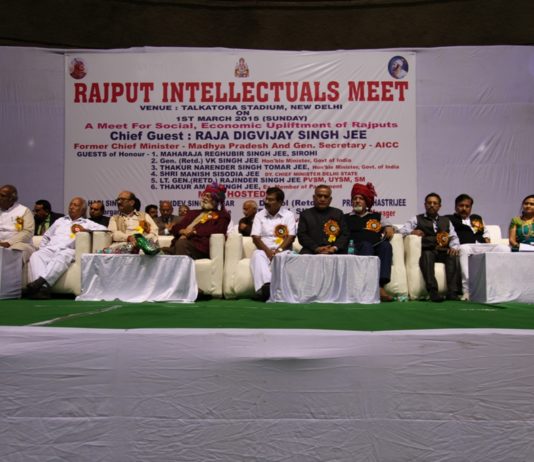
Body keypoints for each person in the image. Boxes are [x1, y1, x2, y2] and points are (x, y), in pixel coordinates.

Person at [24, 197, 107, 299]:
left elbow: (104, 229)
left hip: (68, 250)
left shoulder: (86, 223)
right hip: (51, 248)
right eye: (71, 204)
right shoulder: (60, 221)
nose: (71, 207)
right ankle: (42, 289)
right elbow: (46, 236)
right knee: (36, 255)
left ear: (83, 210)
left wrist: (84, 230)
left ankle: (39, 283)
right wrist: (43, 249)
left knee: (61, 257)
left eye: (75, 205)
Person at [398, 192, 461, 302]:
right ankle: (433, 292)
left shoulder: (446, 221)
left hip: (443, 251)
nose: (432, 205)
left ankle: (452, 292)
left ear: (439, 206)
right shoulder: (416, 219)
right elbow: (401, 231)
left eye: (435, 203)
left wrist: (454, 247)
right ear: (425, 205)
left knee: (452, 256)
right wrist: (412, 231)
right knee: (427, 255)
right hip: (428, 250)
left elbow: (454, 237)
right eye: (429, 203)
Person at [448, 194, 509, 300]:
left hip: (482, 246)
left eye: (467, 206)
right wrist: (454, 246)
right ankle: (467, 291)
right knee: (464, 249)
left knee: (504, 249)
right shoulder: (450, 219)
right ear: (455, 207)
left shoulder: (476, 218)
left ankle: (502, 289)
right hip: (467, 246)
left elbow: (485, 231)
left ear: (471, 207)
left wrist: (486, 237)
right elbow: (449, 234)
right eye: (461, 206)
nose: (464, 208)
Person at [344, 182, 394, 302]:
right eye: (355, 198)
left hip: (375, 246)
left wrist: (389, 227)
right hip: (355, 248)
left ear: (366, 202)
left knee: (386, 246)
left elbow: (390, 227)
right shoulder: (345, 217)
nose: (357, 201)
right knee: (366, 246)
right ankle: (370, 287)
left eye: (361, 198)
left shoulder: (377, 216)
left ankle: (380, 285)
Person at [250, 187, 296, 301]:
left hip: (282, 250)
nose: (266, 202)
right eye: (266, 199)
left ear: (280, 202)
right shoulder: (259, 215)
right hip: (264, 251)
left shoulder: (288, 215)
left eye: (271, 200)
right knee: (257, 255)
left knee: (287, 256)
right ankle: (267, 287)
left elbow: (291, 237)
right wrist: (268, 253)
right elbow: (255, 238)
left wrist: (278, 251)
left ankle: (273, 291)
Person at [164, 183, 230, 259]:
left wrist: (193, 232)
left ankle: (181, 266)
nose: (204, 198)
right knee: (160, 251)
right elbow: (177, 227)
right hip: (179, 245)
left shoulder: (221, 215)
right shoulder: (193, 213)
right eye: (204, 195)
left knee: (182, 244)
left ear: (216, 200)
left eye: (208, 196)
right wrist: (182, 231)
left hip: (199, 248)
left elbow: (216, 231)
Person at [297, 185, 348, 255]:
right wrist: (316, 248)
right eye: (319, 196)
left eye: (326, 196)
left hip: (334, 251)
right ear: (314, 197)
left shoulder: (338, 213)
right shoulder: (305, 214)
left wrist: (334, 248)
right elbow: (302, 235)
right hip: (311, 250)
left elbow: (345, 234)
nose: (322, 199)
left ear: (330, 199)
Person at [0, 185, 35, 283]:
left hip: (21, 244)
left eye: (2, 196)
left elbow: (27, 232)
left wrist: (9, 242)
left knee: (13, 252)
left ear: (12, 198)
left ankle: (9, 285)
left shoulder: (23, 211)